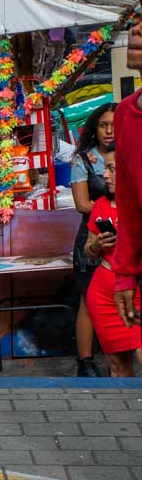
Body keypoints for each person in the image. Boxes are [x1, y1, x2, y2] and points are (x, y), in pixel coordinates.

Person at [111, 15, 142, 480]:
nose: (135, 41)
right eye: (134, 33)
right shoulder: (126, 115)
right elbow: (130, 206)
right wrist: (124, 273)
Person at [83, 147, 140, 378]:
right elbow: (89, 251)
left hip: (136, 290)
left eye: (111, 169)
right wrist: (96, 245)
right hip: (104, 293)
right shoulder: (101, 205)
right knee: (118, 367)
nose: (105, 175)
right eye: (105, 169)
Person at [71, 102, 116, 378]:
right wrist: (115, 208)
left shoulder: (130, 154)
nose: (109, 131)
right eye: (103, 125)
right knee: (87, 300)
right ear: (94, 128)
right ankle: (85, 362)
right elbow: (81, 204)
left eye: (114, 125)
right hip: (93, 235)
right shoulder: (83, 160)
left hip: (129, 236)